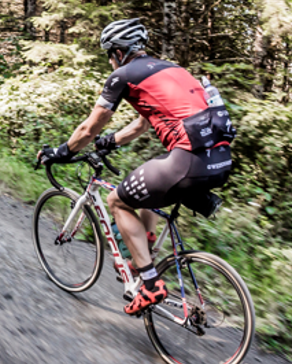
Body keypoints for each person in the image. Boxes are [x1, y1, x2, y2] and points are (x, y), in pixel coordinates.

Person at [37, 18, 233, 315]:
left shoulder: (123, 75)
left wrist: (62, 151)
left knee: (117, 200)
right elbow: (143, 123)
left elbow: (89, 128)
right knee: (150, 184)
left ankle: (151, 284)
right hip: (219, 161)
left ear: (117, 51)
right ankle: (146, 251)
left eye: (109, 54)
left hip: (186, 162)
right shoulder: (174, 70)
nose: (110, 60)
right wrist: (111, 141)